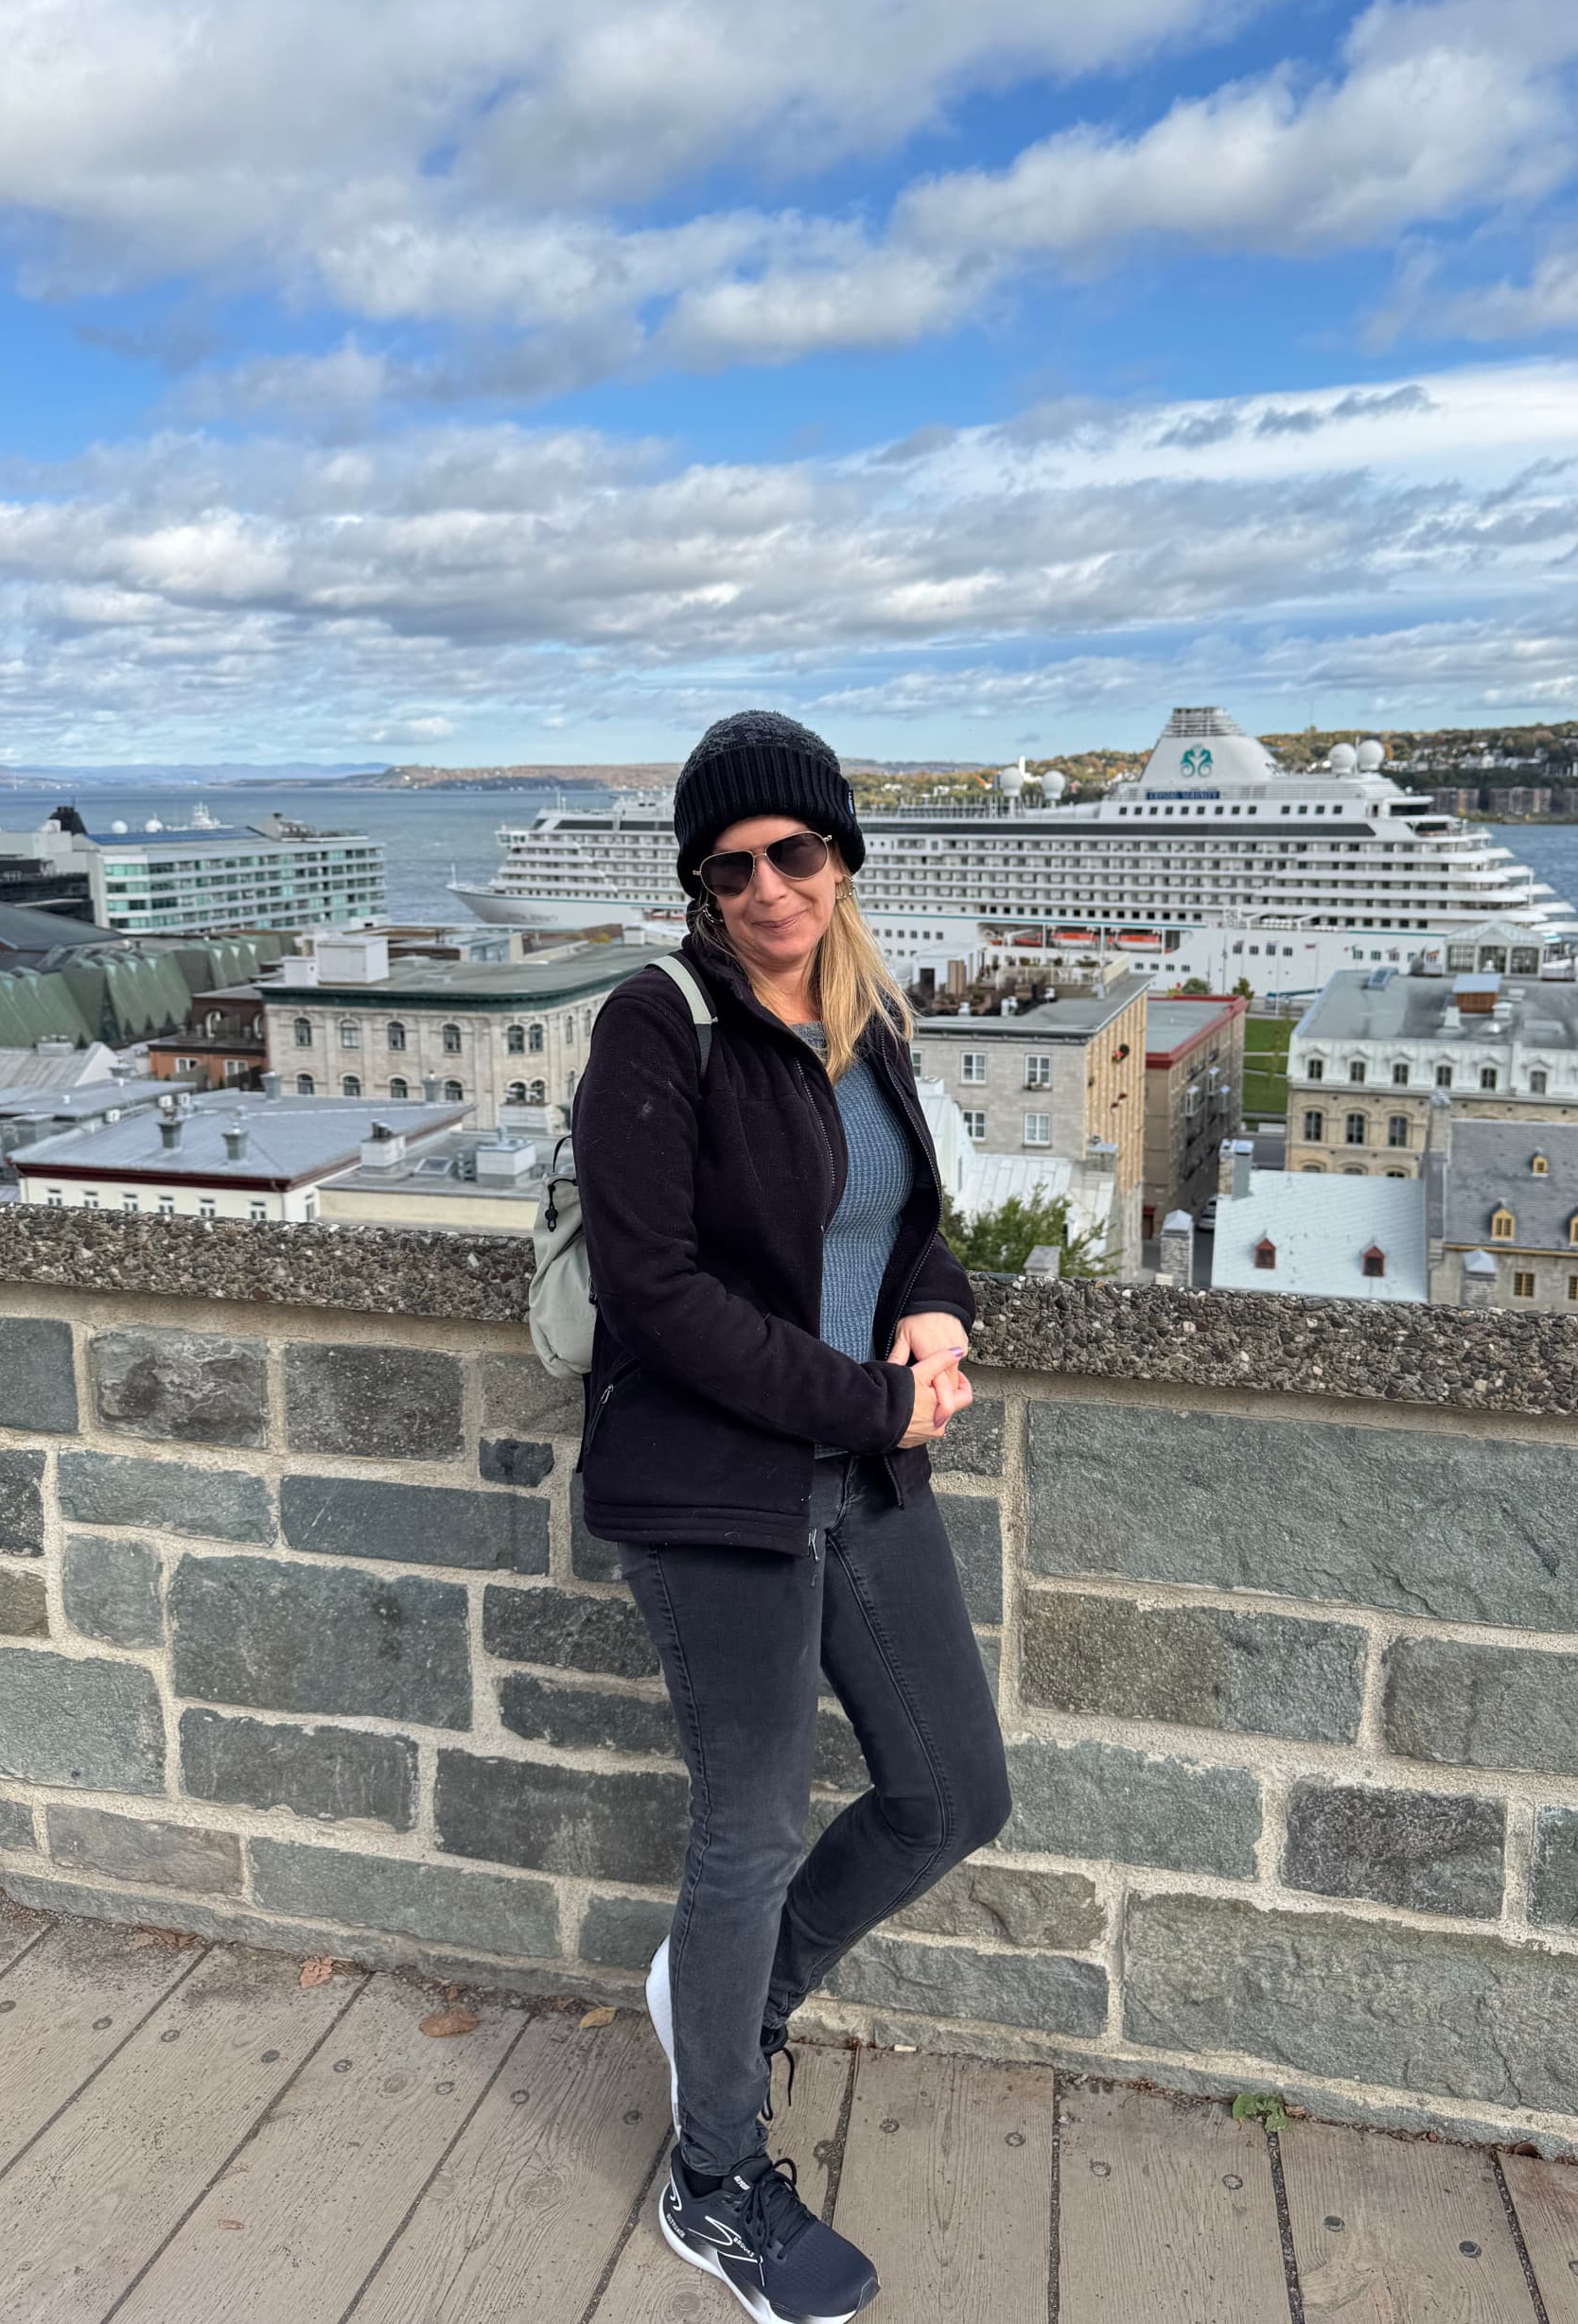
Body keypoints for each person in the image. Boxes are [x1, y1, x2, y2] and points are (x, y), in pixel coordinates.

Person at [572, 709, 1011, 2324]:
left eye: (797, 855)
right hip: (715, 1492)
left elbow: (912, 1224)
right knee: (748, 1823)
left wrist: (941, 1318)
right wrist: (870, 1405)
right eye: (733, 866)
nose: (769, 888)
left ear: (842, 861)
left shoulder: (865, 1017)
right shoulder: (658, 1023)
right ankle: (712, 2176)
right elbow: (662, 1297)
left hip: (862, 1477)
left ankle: (730, 2008)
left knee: (954, 1791)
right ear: (700, 883)